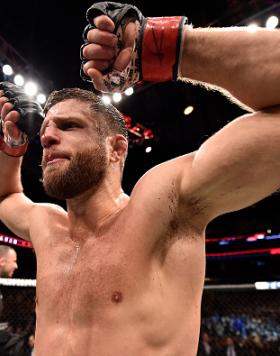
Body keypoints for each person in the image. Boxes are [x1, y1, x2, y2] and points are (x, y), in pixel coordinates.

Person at [0, 2, 280, 355]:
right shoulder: (47, 226)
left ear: (117, 148)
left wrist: (163, 46)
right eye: (44, 130)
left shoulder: (163, 206)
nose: (48, 138)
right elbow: (7, 198)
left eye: (70, 126)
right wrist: (11, 147)